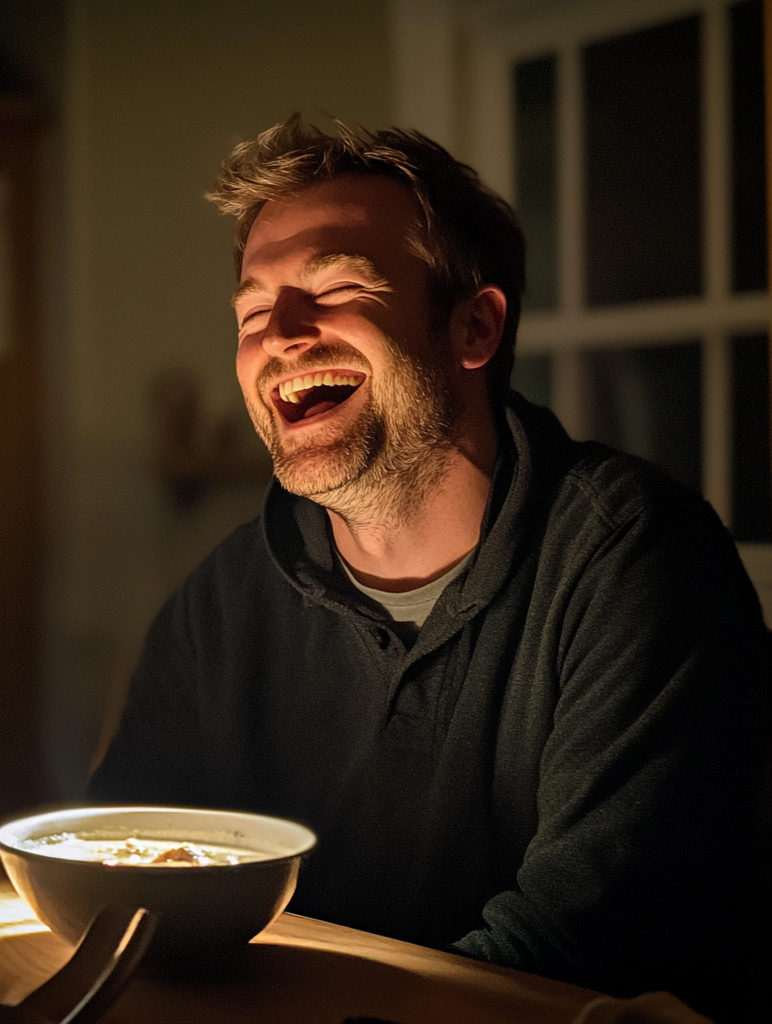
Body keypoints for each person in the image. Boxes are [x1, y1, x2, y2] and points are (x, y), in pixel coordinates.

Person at [89, 117, 767, 1018]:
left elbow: (571, 947)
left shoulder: (633, 559)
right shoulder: (222, 601)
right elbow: (120, 872)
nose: (280, 335)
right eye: (253, 310)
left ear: (474, 326)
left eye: (334, 286)